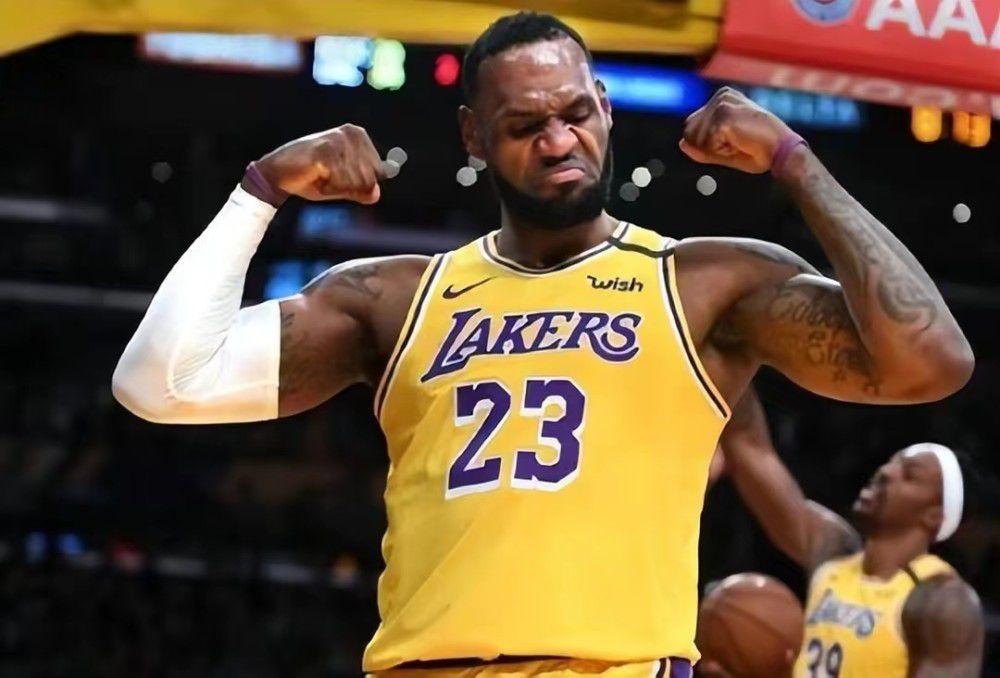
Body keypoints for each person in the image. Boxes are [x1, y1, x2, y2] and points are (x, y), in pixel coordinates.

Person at [111, 11, 973, 678]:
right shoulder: (396, 296)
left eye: (573, 112)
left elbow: (929, 360)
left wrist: (795, 162)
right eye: (525, 125)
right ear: (473, 138)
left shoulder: (703, 283)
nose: (559, 141)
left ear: (603, 105)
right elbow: (161, 383)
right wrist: (258, 191)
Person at [715, 387, 983, 677]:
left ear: (935, 515)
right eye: (890, 463)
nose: (886, 472)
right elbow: (750, 447)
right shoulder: (832, 551)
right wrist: (734, 361)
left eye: (909, 475)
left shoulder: (943, 601)